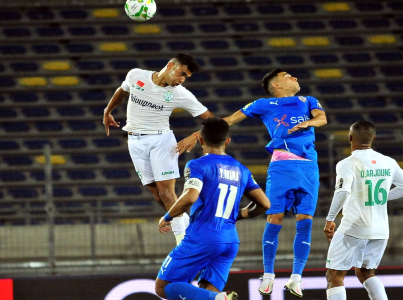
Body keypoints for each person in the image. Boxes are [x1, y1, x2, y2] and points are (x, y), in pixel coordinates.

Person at [177, 69, 327, 297]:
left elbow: (322, 118)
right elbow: (226, 121)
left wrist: (308, 123)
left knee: (305, 220)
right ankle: (268, 275)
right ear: (276, 85)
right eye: (288, 76)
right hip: (282, 165)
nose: (295, 78)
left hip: (309, 165)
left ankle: (296, 278)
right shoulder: (263, 104)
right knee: (274, 216)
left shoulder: (309, 101)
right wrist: (198, 135)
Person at [103, 53, 214, 244]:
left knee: (166, 193)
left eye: (185, 77)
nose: (181, 80)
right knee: (157, 195)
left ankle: (183, 242)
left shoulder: (180, 93)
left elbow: (212, 119)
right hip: (134, 141)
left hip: (161, 141)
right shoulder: (136, 75)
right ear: (170, 65)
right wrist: (107, 111)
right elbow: (122, 90)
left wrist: (196, 135)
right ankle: (189, 225)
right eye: (181, 74)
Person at [156, 117, 271, 300]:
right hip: (230, 241)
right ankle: (217, 298)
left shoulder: (198, 165)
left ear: (201, 140)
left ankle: (218, 299)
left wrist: (167, 217)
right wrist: (236, 216)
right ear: (227, 141)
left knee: (163, 287)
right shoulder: (242, 170)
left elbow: (190, 197)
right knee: (205, 290)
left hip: (203, 237)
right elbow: (265, 204)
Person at [323, 120, 403, 300]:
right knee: (366, 273)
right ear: (374, 137)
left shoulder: (347, 163)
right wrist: (378, 198)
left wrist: (330, 218)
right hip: (380, 230)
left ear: (350, 137)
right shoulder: (388, 162)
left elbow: (342, 191)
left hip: (354, 227)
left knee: (334, 276)